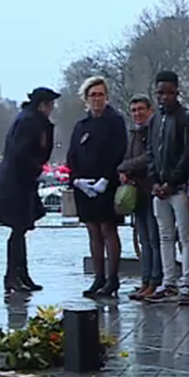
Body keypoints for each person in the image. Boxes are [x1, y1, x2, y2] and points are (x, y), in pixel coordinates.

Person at [0, 87, 59, 293]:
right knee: (18, 230)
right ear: (43, 105)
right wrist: (36, 168)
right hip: (17, 183)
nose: (52, 109)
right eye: (50, 105)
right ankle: (13, 276)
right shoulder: (31, 122)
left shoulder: (28, 119)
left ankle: (20, 275)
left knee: (20, 230)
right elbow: (20, 152)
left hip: (19, 181)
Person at [67, 77, 128, 299]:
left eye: (100, 94)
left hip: (106, 184)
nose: (97, 99)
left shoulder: (115, 121)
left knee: (107, 229)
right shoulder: (81, 126)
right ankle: (98, 277)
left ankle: (112, 279)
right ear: (86, 98)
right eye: (92, 95)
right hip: (85, 186)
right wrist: (76, 179)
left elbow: (119, 150)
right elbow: (72, 154)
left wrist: (107, 178)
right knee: (92, 230)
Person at [144, 71, 189, 304]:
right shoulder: (156, 119)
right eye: (160, 93)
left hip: (179, 187)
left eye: (168, 92)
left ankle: (186, 282)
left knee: (185, 236)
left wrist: (172, 181)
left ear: (177, 91)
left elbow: (188, 153)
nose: (164, 97)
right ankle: (169, 282)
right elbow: (151, 152)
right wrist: (155, 180)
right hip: (160, 187)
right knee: (165, 236)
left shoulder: (186, 117)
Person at [118, 95, 162, 300]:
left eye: (141, 109)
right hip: (137, 192)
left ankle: (155, 280)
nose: (137, 113)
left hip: (150, 190)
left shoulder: (153, 131)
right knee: (144, 239)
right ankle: (145, 280)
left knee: (154, 239)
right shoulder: (133, 133)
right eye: (134, 110)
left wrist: (126, 167)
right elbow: (128, 156)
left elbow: (148, 158)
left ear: (150, 110)